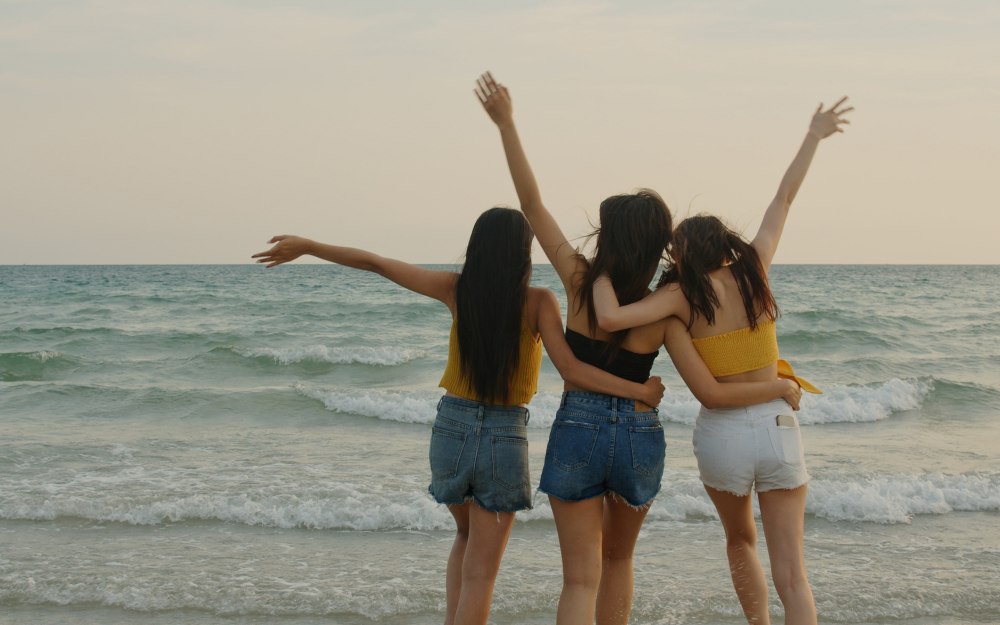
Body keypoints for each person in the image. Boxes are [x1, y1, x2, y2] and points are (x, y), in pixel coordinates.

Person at [476, 71, 802, 625]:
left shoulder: (580, 280)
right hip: (638, 434)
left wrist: (507, 124)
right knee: (619, 560)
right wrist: (771, 383)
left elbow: (531, 204)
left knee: (579, 579)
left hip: (578, 428)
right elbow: (710, 376)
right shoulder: (667, 307)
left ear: (609, 235)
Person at [250, 207, 666, 625]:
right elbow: (571, 369)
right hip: (503, 435)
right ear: (523, 253)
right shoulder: (538, 301)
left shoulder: (455, 290)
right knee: (481, 575)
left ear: (477, 248)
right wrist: (639, 391)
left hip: (452, 427)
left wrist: (310, 246)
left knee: (465, 535)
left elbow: (377, 263)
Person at [591, 99, 852, 624]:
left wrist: (601, 270)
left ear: (684, 252)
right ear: (724, 245)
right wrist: (813, 135)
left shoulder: (680, 295)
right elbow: (784, 196)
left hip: (724, 437)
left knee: (740, 541)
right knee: (794, 576)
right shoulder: (755, 268)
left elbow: (612, 318)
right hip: (778, 429)